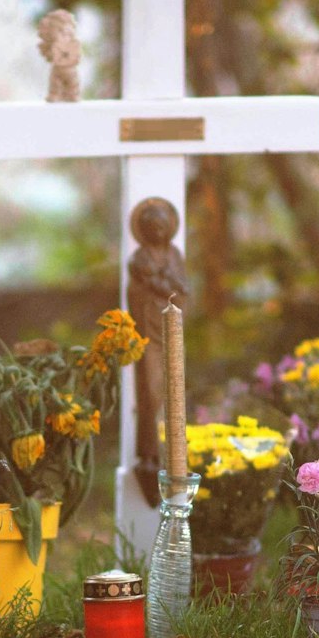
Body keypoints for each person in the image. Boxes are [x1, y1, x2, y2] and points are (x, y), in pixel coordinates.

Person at [126, 197, 186, 503]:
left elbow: (180, 288)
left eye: (164, 225)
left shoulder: (174, 254)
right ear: (145, 230)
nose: (159, 231)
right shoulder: (139, 258)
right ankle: (149, 455)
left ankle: (172, 455)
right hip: (148, 333)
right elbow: (146, 285)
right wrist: (162, 284)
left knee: (171, 390)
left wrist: (163, 281)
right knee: (150, 394)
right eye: (153, 226)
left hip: (171, 335)